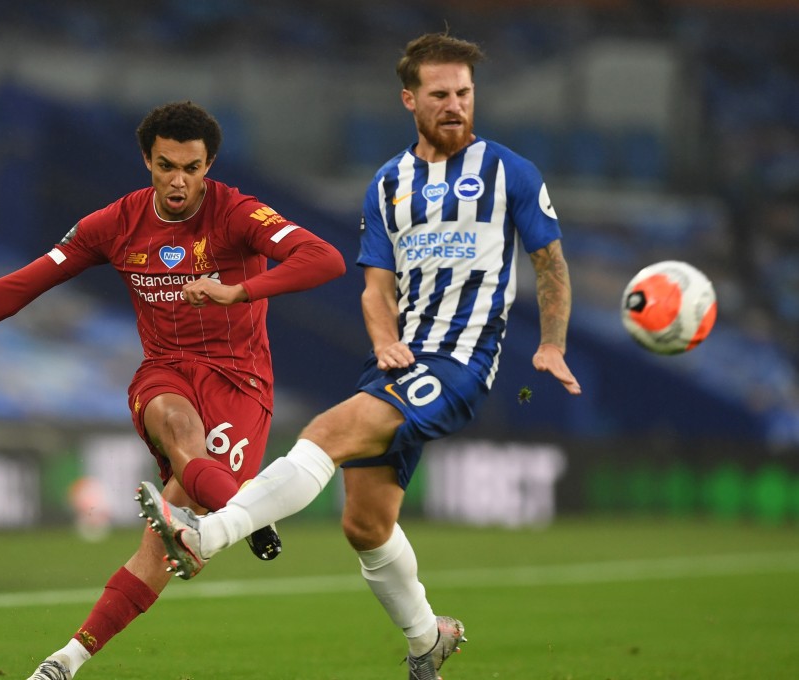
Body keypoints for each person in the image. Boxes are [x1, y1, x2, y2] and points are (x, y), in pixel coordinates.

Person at [137, 33, 582, 680]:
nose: (455, 105)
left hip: (460, 361)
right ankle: (429, 637)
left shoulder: (510, 172)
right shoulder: (390, 184)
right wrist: (382, 339)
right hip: (400, 361)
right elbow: (377, 286)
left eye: (464, 93)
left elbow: (550, 263)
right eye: (440, 94)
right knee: (365, 524)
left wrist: (552, 342)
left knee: (326, 432)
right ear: (410, 99)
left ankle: (209, 534)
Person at [0, 101, 346, 680]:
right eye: (166, 165)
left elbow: (326, 259)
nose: (178, 181)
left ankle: (92, 637)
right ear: (147, 160)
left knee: (160, 548)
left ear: (208, 164)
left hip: (239, 383)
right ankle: (233, 512)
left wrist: (237, 292)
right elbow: (22, 284)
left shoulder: (237, 212)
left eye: (191, 167)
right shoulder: (114, 224)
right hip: (166, 370)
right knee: (173, 423)